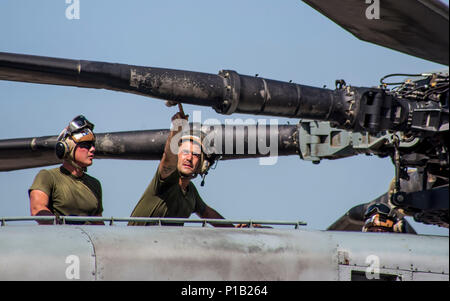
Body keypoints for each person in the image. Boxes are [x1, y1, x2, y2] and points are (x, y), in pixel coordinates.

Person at [129, 109, 233, 227]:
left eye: (195, 155)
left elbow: (207, 213)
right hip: (137, 244)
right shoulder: (166, 180)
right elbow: (168, 159)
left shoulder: (191, 193)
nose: (189, 158)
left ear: (202, 164)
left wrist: (235, 231)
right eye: (185, 152)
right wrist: (177, 129)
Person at [29, 115, 103, 225]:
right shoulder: (47, 176)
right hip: (59, 239)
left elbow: (98, 222)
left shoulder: (94, 184)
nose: (92, 149)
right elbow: (37, 209)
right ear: (67, 147)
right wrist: (59, 225)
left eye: (93, 145)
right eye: (86, 145)